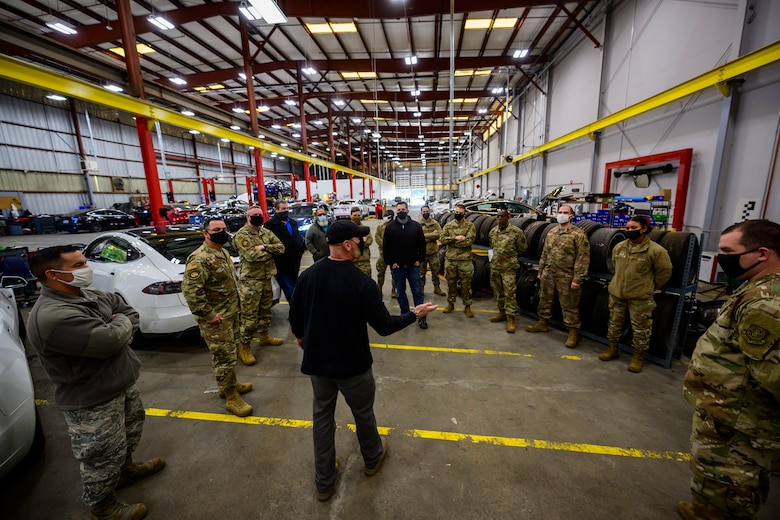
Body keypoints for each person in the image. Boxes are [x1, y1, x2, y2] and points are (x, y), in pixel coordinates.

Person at [289, 220, 438, 502]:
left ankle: (324, 482)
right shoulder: (362, 283)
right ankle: (372, 458)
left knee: (322, 419)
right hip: (353, 366)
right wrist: (414, 314)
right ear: (347, 245)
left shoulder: (308, 276)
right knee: (363, 413)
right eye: (359, 241)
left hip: (318, 364)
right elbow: (384, 326)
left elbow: (296, 313)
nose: (362, 244)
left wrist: (300, 337)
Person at [28, 245, 164, 520]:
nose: (87, 268)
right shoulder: (52, 315)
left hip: (120, 383)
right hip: (92, 398)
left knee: (127, 436)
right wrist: (117, 327)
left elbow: (128, 312)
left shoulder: (87, 295)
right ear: (53, 275)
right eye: (78, 265)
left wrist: (117, 323)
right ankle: (102, 507)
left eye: (84, 261)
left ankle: (125, 471)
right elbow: (109, 342)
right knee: (101, 457)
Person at [678, 219, 780, 520]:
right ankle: (706, 509)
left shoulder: (767, 303)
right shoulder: (757, 287)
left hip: (739, 421)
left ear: (762, 253)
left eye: (727, 251)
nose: (721, 257)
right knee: (720, 482)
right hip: (730, 412)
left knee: (729, 482)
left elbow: (773, 377)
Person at [182, 218, 253, 417]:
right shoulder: (199, 259)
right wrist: (209, 315)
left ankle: (230, 384)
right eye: (216, 229)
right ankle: (231, 397)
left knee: (230, 353)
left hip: (230, 314)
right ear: (205, 233)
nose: (222, 232)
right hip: (217, 319)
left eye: (224, 228)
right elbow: (192, 293)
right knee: (224, 357)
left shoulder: (223, 252)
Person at [598, 216, 672, 372]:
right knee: (614, 324)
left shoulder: (656, 251)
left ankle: (637, 358)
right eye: (628, 227)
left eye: (633, 227)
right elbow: (614, 265)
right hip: (617, 293)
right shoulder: (619, 247)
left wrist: (649, 287)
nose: (629, 230)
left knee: (640, 329)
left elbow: (664, 273)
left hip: (640, 298)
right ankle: (613, 349)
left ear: (644, 229)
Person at [526, 204, 590, 347]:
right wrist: (541, 271)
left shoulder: (578, 234)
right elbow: (545, 253)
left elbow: (583, 258)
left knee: (569, 304)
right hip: (549, 273)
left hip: (567, 275)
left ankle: (573, 332)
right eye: (560, 212)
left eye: (565, 212)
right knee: (545, 299)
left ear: (571, 215)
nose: (562, 214)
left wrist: (578, 278)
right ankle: (543, 322)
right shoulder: (551, 232)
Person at [234, 206, 286, 366]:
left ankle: (264, 337)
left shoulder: (265, 232)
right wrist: (269, 251)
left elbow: (281, 248)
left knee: (265, 311)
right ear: (247, 217)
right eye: (254, 215)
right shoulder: (242, 235)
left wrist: (264, 247)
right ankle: (245, 347)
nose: (257, 217)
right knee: (249, 317)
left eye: (259, 214)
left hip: (265, 278)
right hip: (250, 282)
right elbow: (250, 256)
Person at [383, 201, 428, 328]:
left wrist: (419, 259)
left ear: (407, 211)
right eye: (399, 209)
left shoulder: (416, 226)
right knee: (400, 293)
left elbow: (422, 245)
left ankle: (421, 318)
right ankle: (405, 316)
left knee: (417, 293)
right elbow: (386, 247)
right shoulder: (390, 227)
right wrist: (391, 263)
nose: (401, 211)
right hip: (398, 268)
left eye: (403, 209)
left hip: (413, 266)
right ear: (396, 211)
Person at [488, 209, 528, 333]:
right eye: (498, 216)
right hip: (495, 267)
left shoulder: (516, 232)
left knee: (510, 293)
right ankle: (502, 312)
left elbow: (522, 249)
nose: (500, 218)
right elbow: (492, 246)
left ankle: (511, 318)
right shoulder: (493, 232)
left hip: (509, 268)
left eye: (502, 216)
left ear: (508, 217)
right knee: (497, 291)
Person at [264, 199, 306, 305]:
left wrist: (300, 249)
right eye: (283, 209)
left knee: (296, 288)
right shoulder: (270, 225)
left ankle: (296, 311)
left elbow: (297, 238)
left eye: (287, 208)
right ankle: (296, 312)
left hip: (294, 262)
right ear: (276, 210)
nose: (286, 211)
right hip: (281, 263)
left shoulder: (292, 223)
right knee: (289, 289)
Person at [440, 203, 476, 317]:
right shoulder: (448, 225)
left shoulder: (470, 226)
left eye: (460, 213)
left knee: (466, 285)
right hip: (450, 259)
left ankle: (467, 306)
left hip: (465, 260)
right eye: (456, 213)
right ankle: (451, 304)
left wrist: (452, 241)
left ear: (464, 214)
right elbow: (442, 239)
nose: (458, 214)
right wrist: (456, 238)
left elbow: (469, 241)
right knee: (451, 283)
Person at [419, 205, 446, 297]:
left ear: (430, 212)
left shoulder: (435, 223)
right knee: (421, 273)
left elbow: (440, 235)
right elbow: (417, 238)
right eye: (424, 211)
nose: (426, 213)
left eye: (427, 211)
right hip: (422, 253)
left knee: (435, 271)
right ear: (421, 212)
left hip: (433, 252)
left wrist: (424, 235)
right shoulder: (418, 224)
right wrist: (431, 235)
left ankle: (437, 288)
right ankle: (421, 288)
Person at [375, 209, 396, 297]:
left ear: (391, 216)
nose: (385, 217)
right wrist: (384, 245)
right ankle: (379, 289)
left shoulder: (396, 226)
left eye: (386, 215)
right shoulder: (381, 226)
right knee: (380, 272)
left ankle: (394, 289)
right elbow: (377, 236)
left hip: (394, 255)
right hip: (383, 254)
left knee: (395, 273)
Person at [351, 206, 373, 277]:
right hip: (351, 262)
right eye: (354, 215)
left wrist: (354, 242)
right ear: (350, 216)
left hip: (364, 261)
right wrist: (361, 241)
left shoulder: (365, 229)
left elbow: (369, 241)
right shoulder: (347, 229)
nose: (356, 217)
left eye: (358, 215)